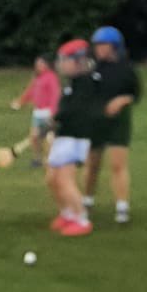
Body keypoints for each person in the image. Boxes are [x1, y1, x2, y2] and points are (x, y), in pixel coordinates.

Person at [83, 26, 141, 224]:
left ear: (114, 46)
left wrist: (122, 100)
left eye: (103, 45)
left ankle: (122, 206)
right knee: (92, 164)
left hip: (119, 122)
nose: (98, 48)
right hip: (95, 122)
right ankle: (87, 201)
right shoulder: (92, 69)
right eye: (97, 45)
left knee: (118, 164)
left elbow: (135, 94)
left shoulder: (126, 69)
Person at [44, 39, 102, 237]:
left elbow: (74, 111)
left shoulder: (86, 83)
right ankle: (67, 213)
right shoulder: (73, 83)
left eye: (65, 60)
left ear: (79, 61)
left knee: (64, 179)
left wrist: (55, 119)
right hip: (64, 136)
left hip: (74, 137)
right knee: (52, 178)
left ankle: (81, 219)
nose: (61, 64)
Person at [11, 55, 60, 166]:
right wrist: (20, 101)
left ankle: (51, 159)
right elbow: (30, 92)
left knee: (49, 138)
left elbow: (55, 95)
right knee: (34, 138)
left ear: (47, 65)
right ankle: (37, 159)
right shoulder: (37, 78)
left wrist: (53, 113)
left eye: (40, 64)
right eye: (37, 64)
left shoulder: (51, 77)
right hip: (37, 113)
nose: (38, 66)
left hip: (47, 113)